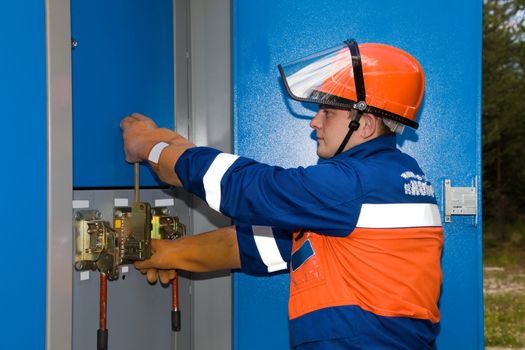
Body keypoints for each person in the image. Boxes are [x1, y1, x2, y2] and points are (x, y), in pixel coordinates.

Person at [121, 39, 443, 349]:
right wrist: (169, 253)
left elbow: (248, 189)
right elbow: (261, 246)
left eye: (328, 112)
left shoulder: (356, 184)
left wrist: (152, 147)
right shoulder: (384, 180)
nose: (314, 122)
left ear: (366, 124)